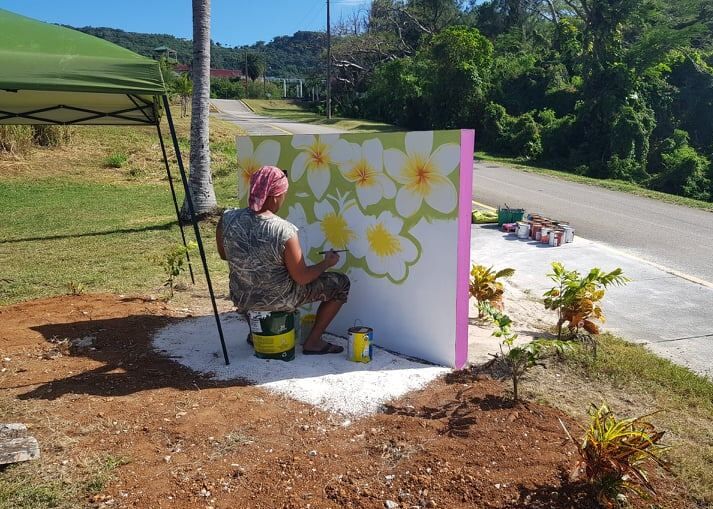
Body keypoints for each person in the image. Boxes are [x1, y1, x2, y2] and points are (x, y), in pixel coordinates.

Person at [216, 165, 350, 355]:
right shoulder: (284, 230)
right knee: (340, 284)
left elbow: (224, 255)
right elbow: (302, 278)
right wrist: (326, 263)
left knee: (250, 284)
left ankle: (258, 334)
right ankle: (313, 342)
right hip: (279, 299)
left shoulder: (227, 219)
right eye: (284, 194)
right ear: (276, 196)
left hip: (243, 296)